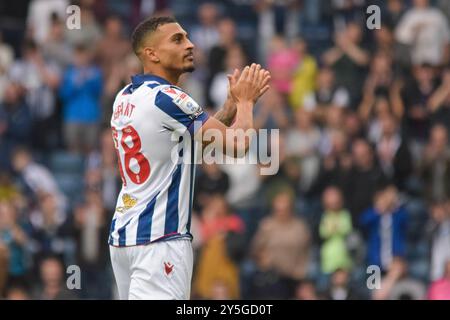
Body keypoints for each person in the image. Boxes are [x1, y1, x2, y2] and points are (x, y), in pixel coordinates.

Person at [108, 16, 270, 300]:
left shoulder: (125, 96)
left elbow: (186, 147)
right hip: (160, 241)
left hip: (124, 237)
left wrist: (228, 109)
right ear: (151, 53)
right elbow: (239, 144)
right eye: (177, 39)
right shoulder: (169, 97)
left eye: (187, 37)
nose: (190, 44)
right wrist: (246, 102)